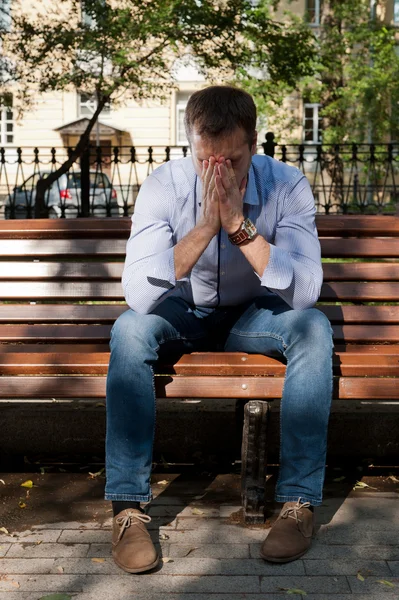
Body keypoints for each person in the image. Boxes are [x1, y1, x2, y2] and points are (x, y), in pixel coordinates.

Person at [105, 85, 333, 574]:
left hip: (254, 315)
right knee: (129, 331)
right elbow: (139, 296)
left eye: (231, 160)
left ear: (254, 144)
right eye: (206, 159)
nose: (218, 172)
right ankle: (126, 508)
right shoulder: (165, 184)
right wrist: (207, 226)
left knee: (313, 328)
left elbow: (306, 288)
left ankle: (298, 505)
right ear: (191, 143)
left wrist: (239, 226)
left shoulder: (287, 184)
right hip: (184, 312)